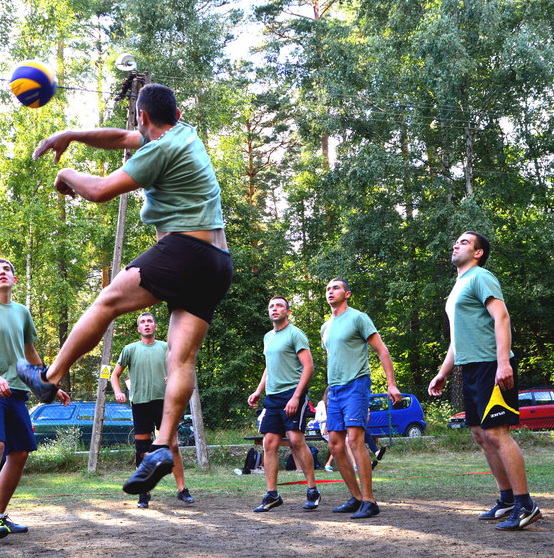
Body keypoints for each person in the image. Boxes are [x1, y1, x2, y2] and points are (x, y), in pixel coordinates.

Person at [22, 83, 233, 496]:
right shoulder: (184, 135)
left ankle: (48, 377)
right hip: (217, 262)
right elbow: (122, 139)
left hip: (183, 249)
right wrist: (72, 135)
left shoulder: (159, 149)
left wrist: (65, 174)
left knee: (107, 303)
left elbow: (99, 191)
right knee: (180, 358)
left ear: (142, 116)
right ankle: (161, 447)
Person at [428, 231, 542, 530]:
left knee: (497, 433)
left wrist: (503, 362)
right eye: (457, 242)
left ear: (478, 253)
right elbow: (457, 338)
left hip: (492, 365)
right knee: (480, 433)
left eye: (465, 242)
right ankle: (506, 499)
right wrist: (444, 371)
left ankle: (525, 504)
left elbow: (501, 317)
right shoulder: (457, 287)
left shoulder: (481, 277)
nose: (457, 245)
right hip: (471, 367)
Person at [0, 258, 70, 543]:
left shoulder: (22, 312)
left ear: (14, 279)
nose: (2, 272)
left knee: (20, 452)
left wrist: (50, 386)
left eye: (7, 269)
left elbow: (30, 354)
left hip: (16, 391)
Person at [321, 278, 401, 519]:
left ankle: (369, 500)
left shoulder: (358, 317)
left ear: (347, 293)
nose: (330, 292)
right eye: (327, 289)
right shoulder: (325, 327)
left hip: (357, 384)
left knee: (355, 439)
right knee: (335, 445)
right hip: (334, 390)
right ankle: (356, 497)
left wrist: (392, 383)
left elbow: (381, 350)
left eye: (335, 288)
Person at [110, 312, 195, 509]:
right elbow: (115, 375)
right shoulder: (130, 349)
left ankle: (182, 490)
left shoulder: (166, 348)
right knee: (142, 451)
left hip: (165, 404)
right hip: (140, 404)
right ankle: (143, 492)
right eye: (142, 322)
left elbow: (181, 370)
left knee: (172, 446)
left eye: (150, 321)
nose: (146, 325)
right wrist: (118, 392)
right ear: (138, 328)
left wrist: (173, 377)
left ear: (155, 327)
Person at [247, 297, 320, 512]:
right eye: (271, 306)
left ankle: (313, 490)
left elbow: (309, 367)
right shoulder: (268, 337)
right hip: (273, 397)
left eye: (279, 306)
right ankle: (272, 495)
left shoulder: (295, 334)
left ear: (287, 311)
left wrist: (296, 397)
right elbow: (269, 368)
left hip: (292, 393)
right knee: (269, 443)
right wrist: (258, 391)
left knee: (296, 440)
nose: (274, 309)